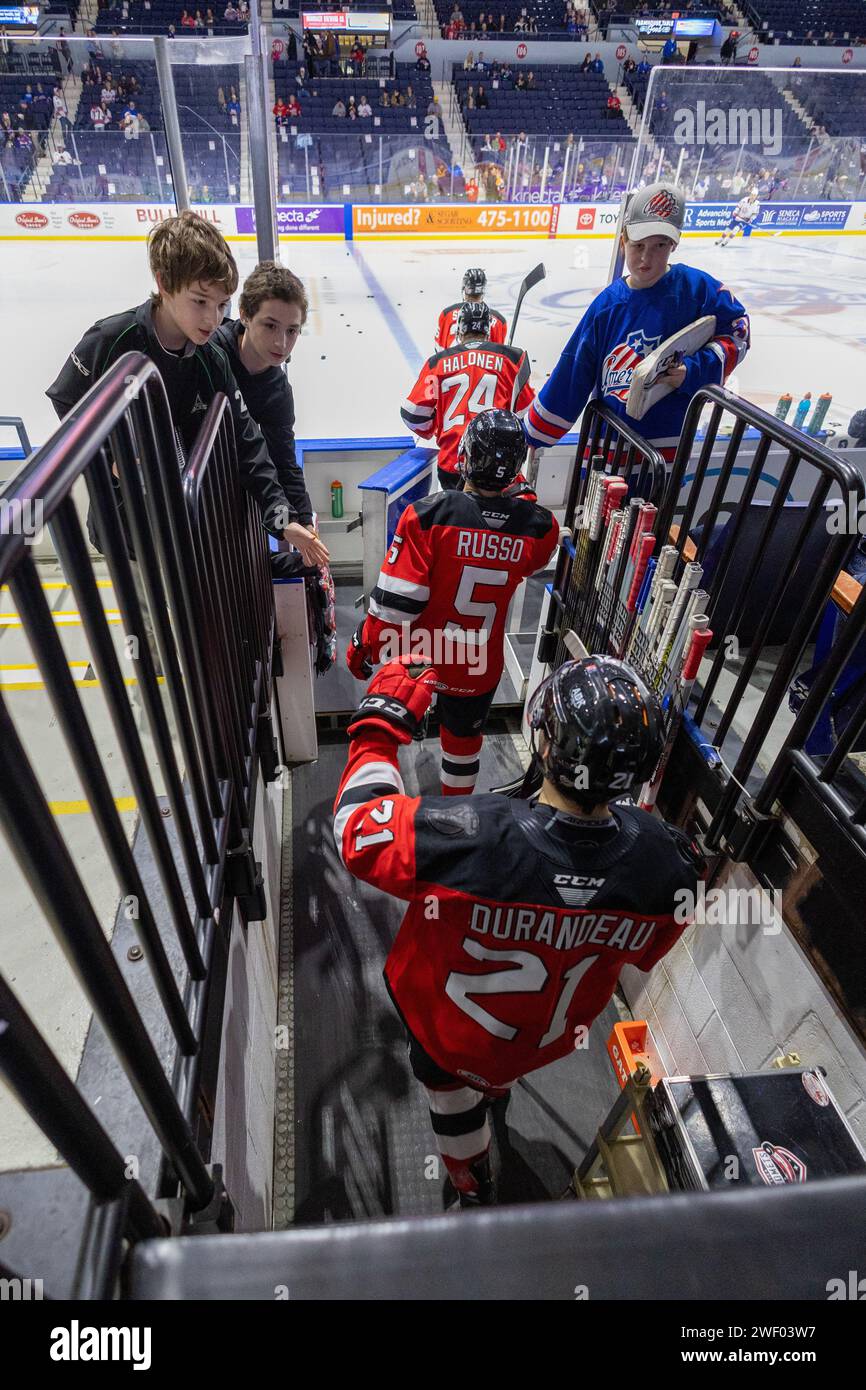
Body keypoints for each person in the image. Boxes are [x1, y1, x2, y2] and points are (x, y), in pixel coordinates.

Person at [334, 652, 702, 1204]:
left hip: (448, 1034)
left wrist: (380, 723)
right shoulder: (670, 866)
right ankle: (494, 1098)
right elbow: (645, 953)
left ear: (548, 744)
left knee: (452, 1105)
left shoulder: (470, 835)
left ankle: (472, 1183)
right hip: (541, 1040)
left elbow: (358, 829)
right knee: (492, 1077)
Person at [46, 212, 320, 568]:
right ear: (163, 283)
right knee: (149, 621)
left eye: (221, 305)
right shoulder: (111, 340)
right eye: (200, 301)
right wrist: (109, 456)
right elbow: (67, 402)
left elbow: (249, 443)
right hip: (128, 537)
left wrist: (285, 522)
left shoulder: (212, 360)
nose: (212, 318)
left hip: (187, 533)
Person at [347, 409, 558, 798]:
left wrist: (364, 643)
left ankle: (384, 806)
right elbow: (528, 545)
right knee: (463, 744)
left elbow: (395, 607)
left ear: (465, 457)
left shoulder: (429, 515)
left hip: (422, 657)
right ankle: (455, 816)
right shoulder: (540, 528)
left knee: (383, 732)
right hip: (479, 665)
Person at [525, 182, 751, 465]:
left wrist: (693, 371)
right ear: (623, 241)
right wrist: (531, 434)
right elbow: (573, 372)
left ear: (674, 243)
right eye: (638, 245)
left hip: (663, 456)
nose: (646, 258)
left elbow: (739, 334)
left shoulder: (698, 290)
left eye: (659, 245)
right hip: (604, 453)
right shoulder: (608, 305)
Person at [214, 261, 325, 564]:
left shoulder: (277, 390)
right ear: (246, 315)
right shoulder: (210, 356)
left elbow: (284, 462)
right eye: (270, 326)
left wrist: (305, 524)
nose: (282, 342)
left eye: (292, 330)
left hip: (230, 507)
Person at [405, 301, 532, 492]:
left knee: (456, 519)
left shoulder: (438, 362)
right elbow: (526, 415)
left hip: (452, 462)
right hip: (497, 464)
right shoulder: (513, 359)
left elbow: (412, 414)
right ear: (488, 329)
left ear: (459, 330)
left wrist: (434, 428)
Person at [435, 266, 507, 351]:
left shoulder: (447, 314)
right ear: (483, 290)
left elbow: (439, 349)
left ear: (464, 288)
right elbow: (499, 356)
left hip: (453, 361)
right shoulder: (499, 320)